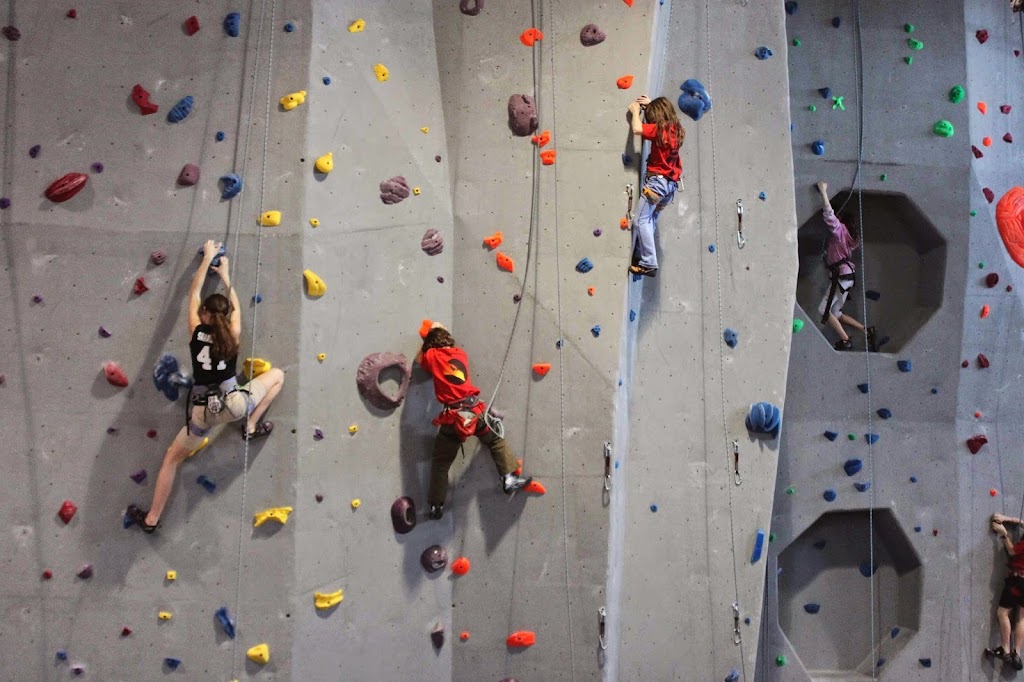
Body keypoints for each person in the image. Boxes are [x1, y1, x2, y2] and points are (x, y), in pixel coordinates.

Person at [127, 240, 285, 533]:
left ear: (204, 316)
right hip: (235, 404)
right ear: (225, 318)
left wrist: (207, 259)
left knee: (171, 460)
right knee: (277, 376)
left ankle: (151, 519)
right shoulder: (234, 334)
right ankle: (250, 427)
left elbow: (193, 292)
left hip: (203, 413)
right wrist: (225, 274)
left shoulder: (195, 332)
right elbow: (235, 306)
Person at [416, 323, 531, 520]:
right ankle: (509, 478)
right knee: (494, 441)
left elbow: (419, 360)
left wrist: (426, 339)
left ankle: (436, 506)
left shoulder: (432, 356)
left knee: (442, 462)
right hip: (473, 413)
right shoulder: (460, 354)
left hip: (453, 418)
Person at [627, 95, 684, 277]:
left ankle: (649, 262)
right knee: (650, 219)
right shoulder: (676, 129)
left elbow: (637, 129)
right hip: (670, 186)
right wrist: (651, 104)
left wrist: (636, 112)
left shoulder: (659, 130)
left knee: (640, 220)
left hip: (656, 184)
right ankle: (640, 255)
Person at [815, 180, 875, 351]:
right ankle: (866, 330)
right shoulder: (850, 238)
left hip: (841, 276)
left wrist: (823, 191)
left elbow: (829, 215)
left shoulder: (840, 232)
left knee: (823, 311)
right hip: (846, 277)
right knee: (836, 314)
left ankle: (846, 339)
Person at [990, 513, 1024, 670]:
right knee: (1020, 618)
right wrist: (1007, 519)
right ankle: (1017, 654)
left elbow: (1012, 551)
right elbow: (1022, 522)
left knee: (1003, 613)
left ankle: (1005, 649)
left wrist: (1004, 535)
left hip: (1018, 580)